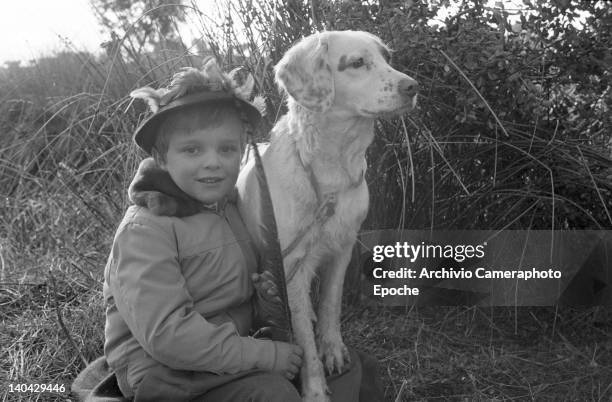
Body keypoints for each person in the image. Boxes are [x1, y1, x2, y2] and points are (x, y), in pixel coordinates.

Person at [103, 58, 303, 402]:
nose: (213, 161)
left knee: (337, 371)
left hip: (222, 353)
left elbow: (233, 298)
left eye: (227, 149)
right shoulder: (145, 231)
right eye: (192, 149)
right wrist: (266, 356)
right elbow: (168, 336)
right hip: (164, 372)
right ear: (162, 159)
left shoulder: (232, 208)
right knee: (275, 395)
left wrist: (265, 303)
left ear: (242, 152)